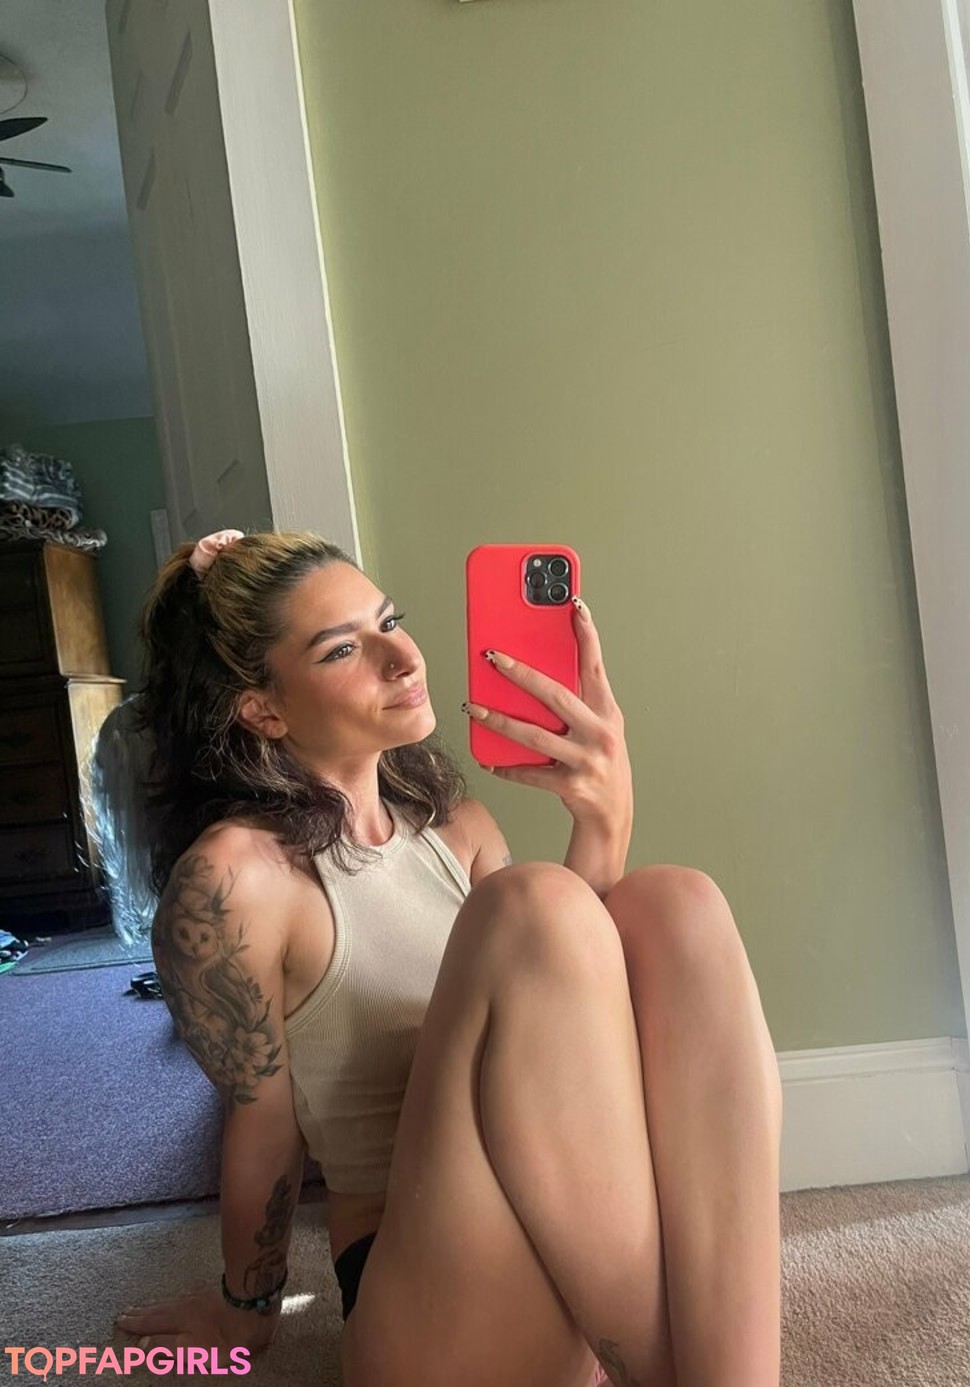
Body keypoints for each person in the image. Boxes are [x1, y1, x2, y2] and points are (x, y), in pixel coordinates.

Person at [114, 529, 783, 1387]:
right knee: (532, 903)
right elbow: (263, 1125)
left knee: (676, 904)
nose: (403, 657)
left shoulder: (454, 827)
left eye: (391, 621)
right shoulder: (234, 879)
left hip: (571, 1244)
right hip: (423, 1298)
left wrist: (605, 823)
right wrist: (245, 1311)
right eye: (344, 649)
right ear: (263, 709)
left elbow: (573, 1014)